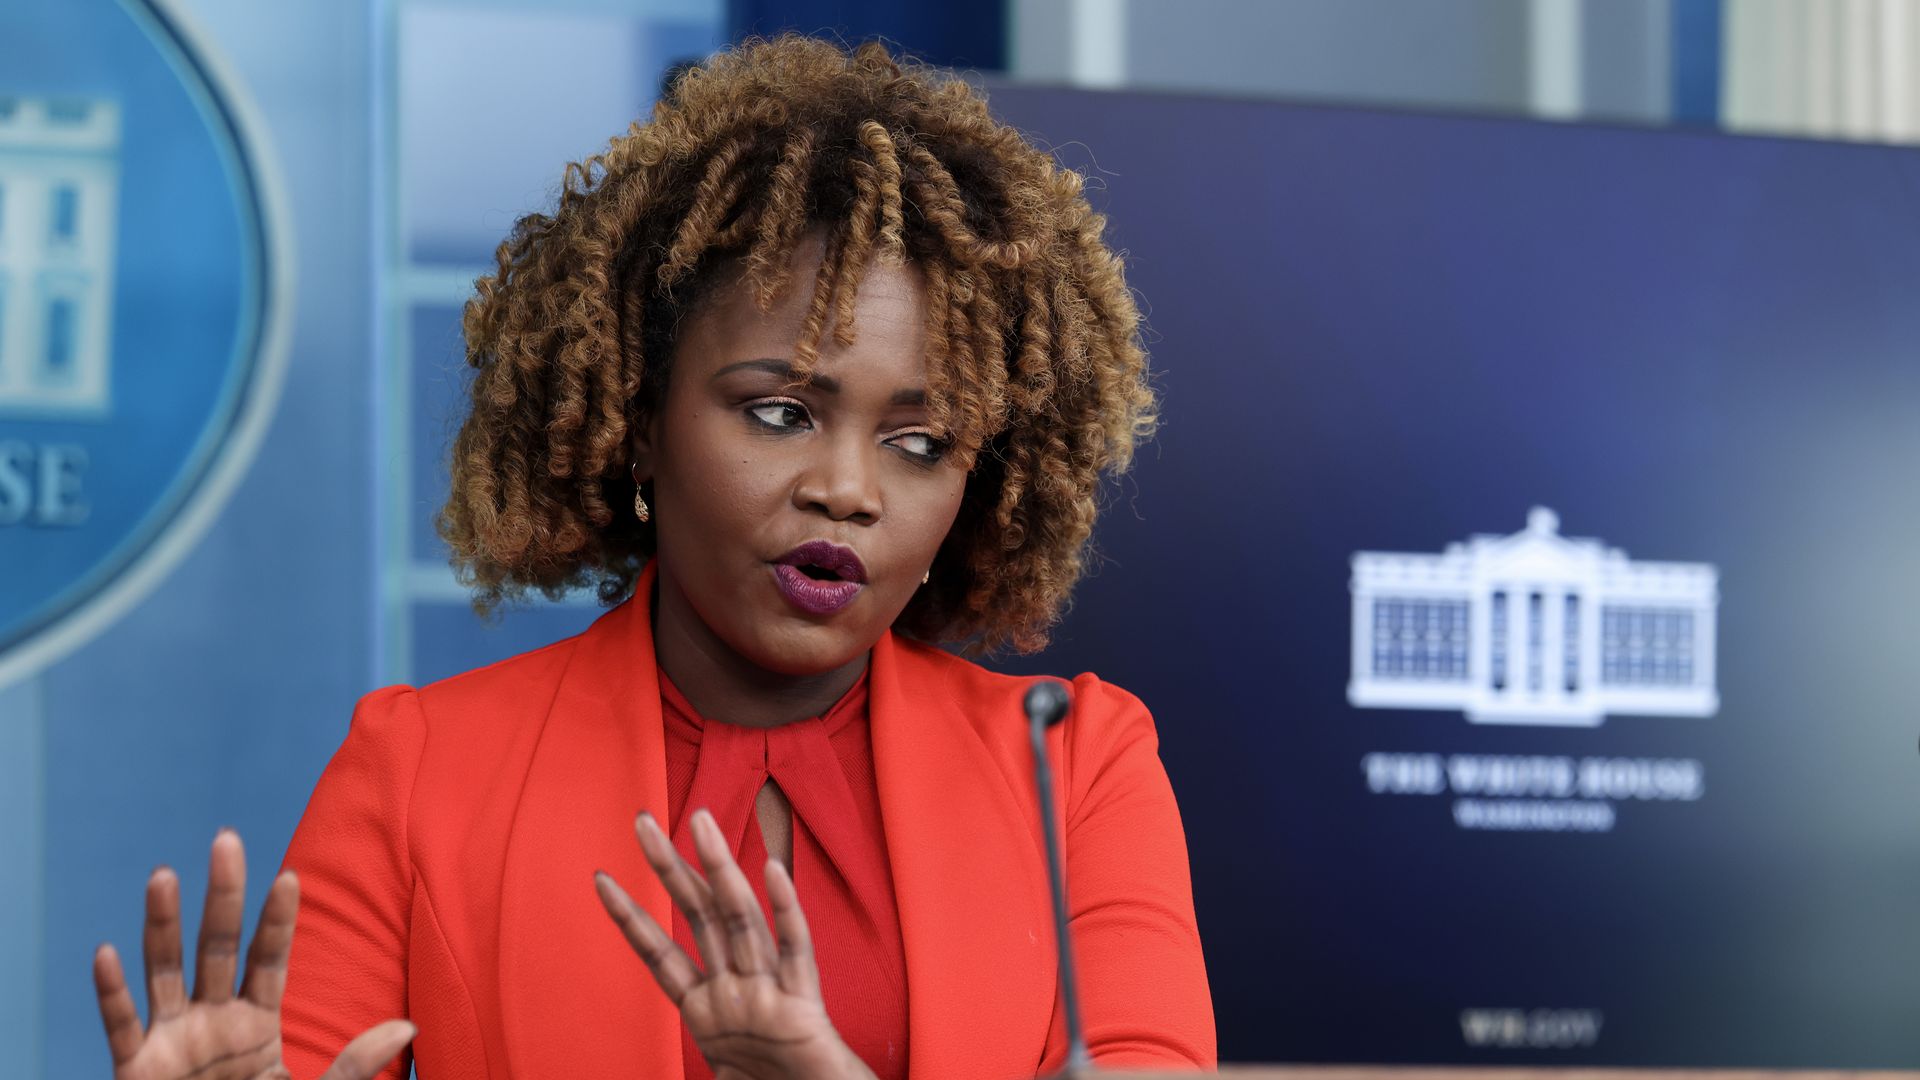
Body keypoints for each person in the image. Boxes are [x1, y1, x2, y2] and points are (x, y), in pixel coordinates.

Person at [92, 35, 1215, 1079]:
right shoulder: (418, 773)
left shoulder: (1075, 772)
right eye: (779, 413)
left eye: (921, 444)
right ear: (639, 419)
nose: (849, 489)